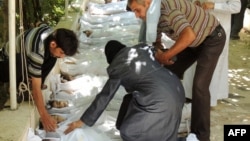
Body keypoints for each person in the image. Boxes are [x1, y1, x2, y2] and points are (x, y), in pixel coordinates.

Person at [127, 0, 226, 141]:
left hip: (212, 38)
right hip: (194, 41)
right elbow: (156, 43)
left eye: (137, 10)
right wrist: (159, 52)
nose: (136, 15)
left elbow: (188, 35)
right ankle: (161, 119)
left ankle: (201, 136)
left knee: (199, 86)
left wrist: (166, 55)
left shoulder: (168, 10)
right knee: (165, 72)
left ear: (148, 3)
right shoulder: (153, 15)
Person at [64, 40, 185, 141]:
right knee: (166, 132)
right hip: (177, 89)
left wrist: (82, 121)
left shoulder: (118, 66)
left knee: (129, 131)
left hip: (158, 98)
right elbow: (162, 52)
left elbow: (104, 97)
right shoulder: (142, 48)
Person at [0, 23, 79, 132]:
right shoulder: (37, 51)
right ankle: (19, 88)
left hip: (25, 59)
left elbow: (40, 24)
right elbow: (36, 88)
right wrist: (45, 116)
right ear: (53, 44)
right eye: (61, 52)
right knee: (21, 62)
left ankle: (30, 81)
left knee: (53, 57)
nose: (62, 56)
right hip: (5, 64)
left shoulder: (51, 33)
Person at [183, 0, 241, 106]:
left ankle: (207, 99)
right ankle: (189, 94)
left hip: (219, 28)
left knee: (212, 63)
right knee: (193, 58)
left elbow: (236, 7)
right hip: (199, 24)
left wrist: (214, 5)